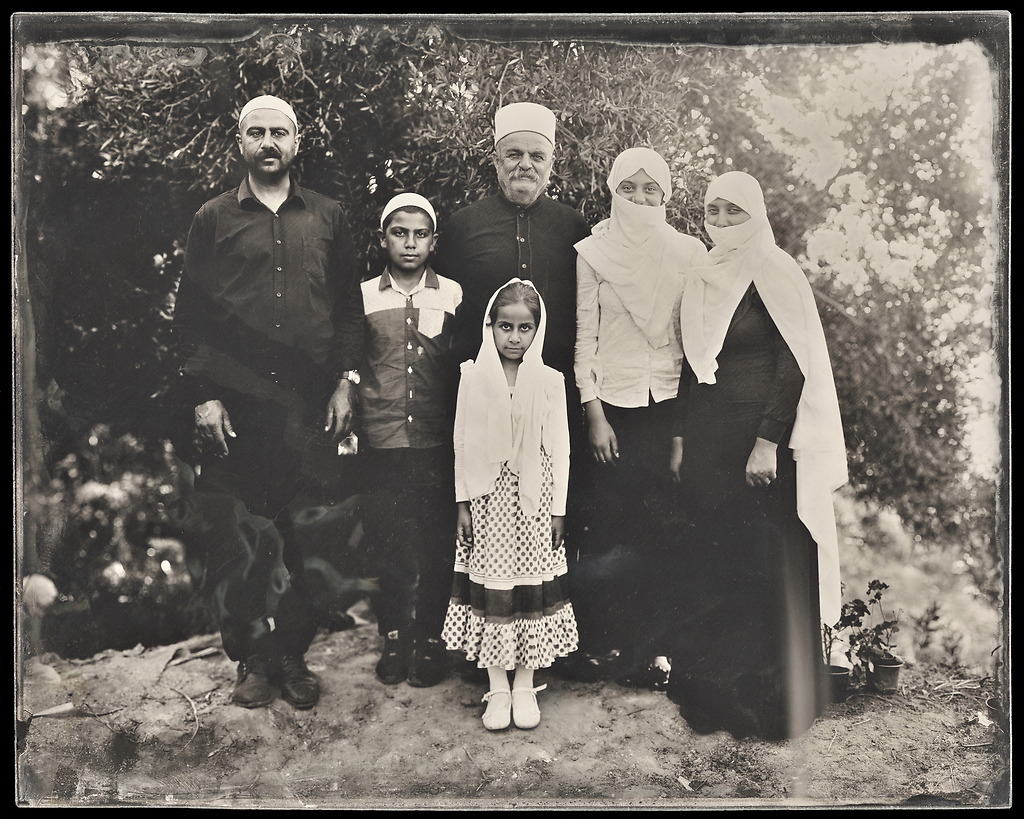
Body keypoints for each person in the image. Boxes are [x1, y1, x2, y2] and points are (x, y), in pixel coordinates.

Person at [172, 94, 365, 710]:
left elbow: (349, 312)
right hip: (237, 409)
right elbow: (191, 318)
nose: (268, 143)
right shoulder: (212, 218)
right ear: (240, 142)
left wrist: (346, 382)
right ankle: (252, 660)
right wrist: (203, 397)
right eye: (256, 133)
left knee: (313, 535)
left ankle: (292, 655)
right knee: (238, 540)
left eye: (279, 133)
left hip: (310, 407)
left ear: (297, 140)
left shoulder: (330, 217)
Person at [666, 171, 848, 739]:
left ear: (756, 216)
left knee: (763, 562)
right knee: (715, 560)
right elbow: (693, 367)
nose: (720, 222)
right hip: (708, 440)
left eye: (732, 212)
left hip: (759, 445)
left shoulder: (774, 269)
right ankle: (715, 692)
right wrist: (679, 438)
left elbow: (794, 362)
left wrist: (767, 440)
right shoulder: (701, 275)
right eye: (712, 211)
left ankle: (768, 701)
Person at [572, 147, 708, 689]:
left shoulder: (688, 251)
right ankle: (599, 643)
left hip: (665, 409)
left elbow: (693, 346)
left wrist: (680, 433)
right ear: (613, 191)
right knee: (606, 529)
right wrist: (594, 414)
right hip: (611, 411)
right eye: (629, 189)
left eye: (651, 190)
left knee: (659, 533)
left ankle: (649, 650)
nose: (640, 199)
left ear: (667, 196)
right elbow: (586, 338)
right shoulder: (592, 252)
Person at [442, 279, 579, 731]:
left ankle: (525, 683)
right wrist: (462, 503)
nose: (514, 338)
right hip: (487, 499)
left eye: (525, 328)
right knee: (495, 585)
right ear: (490, 326)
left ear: (538, 331)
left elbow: (560, 448)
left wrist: (558, 508)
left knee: (530, 586)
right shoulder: (473, 375)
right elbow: (462, 440)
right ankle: (497, 686)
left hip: (534, 501)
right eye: (506, 327)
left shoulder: (550, 380)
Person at [356, 192, 463, 688]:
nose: (410, 242)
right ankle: (394, 634)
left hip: (436, 441)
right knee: (389, 541)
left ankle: (429, 638)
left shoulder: (453, 295)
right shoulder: (363, 296)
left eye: (420, 234)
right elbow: (355, 366)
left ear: (434, 241)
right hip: (382, 439)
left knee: (436, 541)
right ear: (383, 238)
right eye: (399, 232)